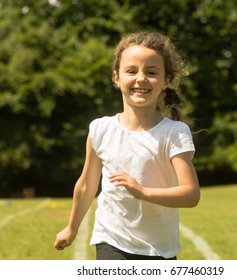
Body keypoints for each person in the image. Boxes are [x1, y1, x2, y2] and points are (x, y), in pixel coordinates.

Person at [54, 31, 200, 260]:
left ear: (166, 80)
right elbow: (86, 185)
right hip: (111, 240)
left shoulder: (174, 133)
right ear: (116, 77)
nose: (141, 78)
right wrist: (71, 228)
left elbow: (191, 194)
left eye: (151, 72)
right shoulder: (100, 129)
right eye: (131, 71)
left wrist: (143, 192)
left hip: (158, 249)